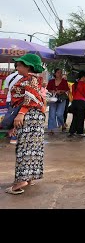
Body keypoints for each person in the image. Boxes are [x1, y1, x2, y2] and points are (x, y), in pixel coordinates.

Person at [5, 54, 46, 195]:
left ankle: (21, 182)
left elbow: (31, 99)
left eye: (19, 65)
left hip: (29, 116)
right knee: (31, 147)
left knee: (25, 148)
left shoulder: (30, 79)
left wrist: (21, 113)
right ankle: (28, 178)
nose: (17, 67)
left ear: (28, 66)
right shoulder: (28, 79)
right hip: (33, 117)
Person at [46, 68, 70, 135]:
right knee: (51, 114)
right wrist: (53, 91)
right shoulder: (51, 81)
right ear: (55, 73)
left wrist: (61, 91)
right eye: (58, 72)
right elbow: (48, 89)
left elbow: (67, 90)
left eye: (61, 73)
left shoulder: (64, 81)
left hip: (62, 99)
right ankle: (51, 129)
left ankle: (62, 124)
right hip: (53, 99)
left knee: (59, 114)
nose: (60, 74)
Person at [69, 71, 85, 137]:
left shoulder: (74, 85)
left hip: (74, 102)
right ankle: (79, 132)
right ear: (83, 77)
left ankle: (72, 131)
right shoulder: (84, 85)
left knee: (75, 117)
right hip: (81, 103)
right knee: (81, 118)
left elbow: (73, 94)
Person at [3, 70, 23, 145]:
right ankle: (14, 137)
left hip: (9, 100)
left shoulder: (9, 77)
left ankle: (11, 134)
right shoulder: (24, 77)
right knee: (17, 119)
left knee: (12, 118)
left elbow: (5, 91)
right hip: (19, 101)